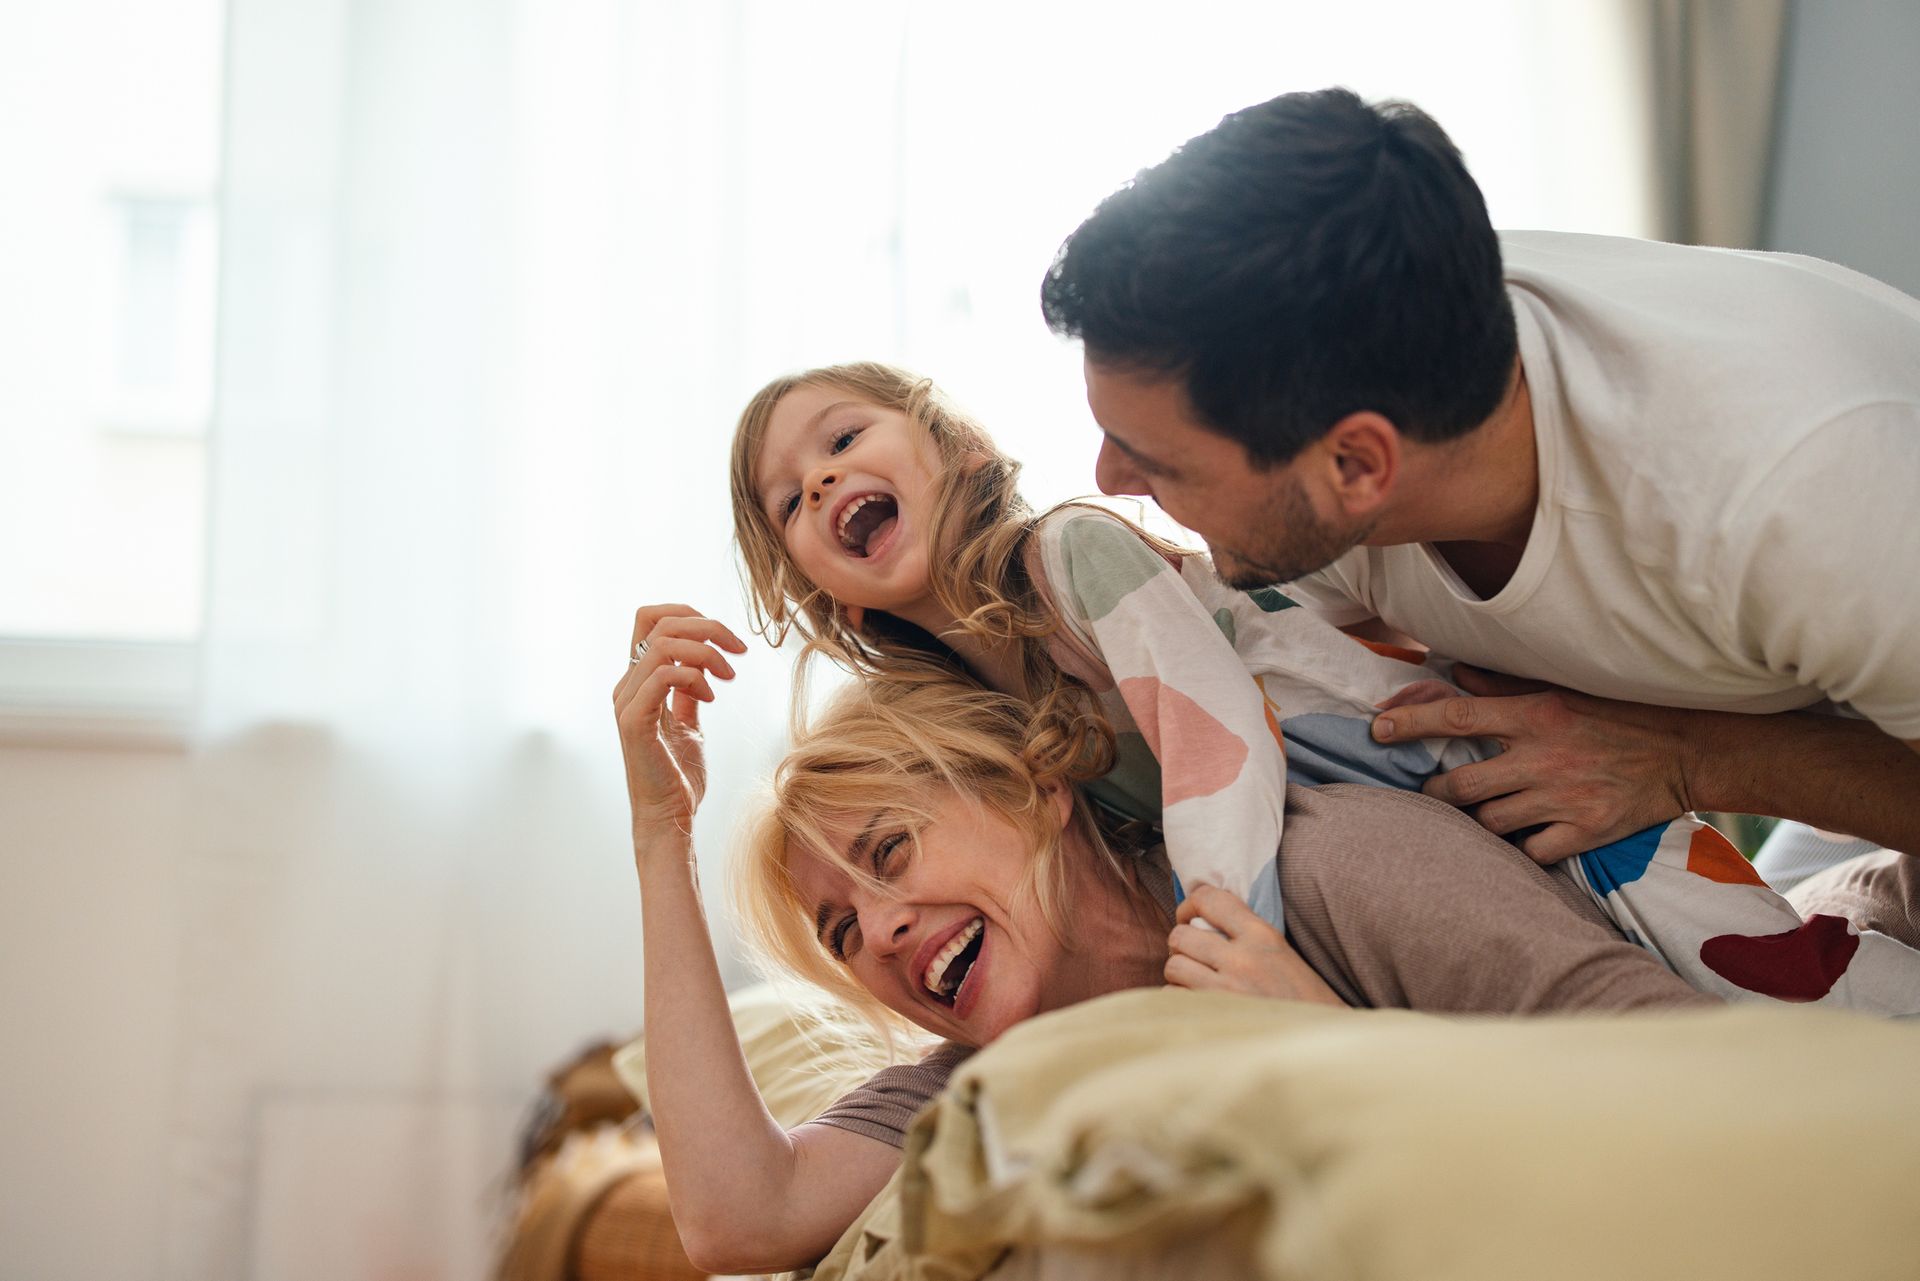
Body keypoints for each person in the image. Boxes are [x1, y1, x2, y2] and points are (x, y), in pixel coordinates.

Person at [730, 361, 1920, 1008]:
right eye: (790, 500)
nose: (824, 482)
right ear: (830, 596)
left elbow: (1216, 745)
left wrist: (1221, 942)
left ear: (960, 450)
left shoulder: (1070, 557)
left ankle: (1872, 1029)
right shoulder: (981, 703)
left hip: (1446, 742)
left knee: (1738, 960)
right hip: (1378, 799)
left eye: (843, 440)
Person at [611, 608, 1715, 1274]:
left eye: (890, 853)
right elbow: (733, 1218)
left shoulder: (1330, 866)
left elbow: (1690, 1068)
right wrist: (662, 838)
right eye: (842, 931)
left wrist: (1339, 1054)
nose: (884, 930)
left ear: (1035, 787)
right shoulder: (974, 1091)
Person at [1038, 86, 1920, 881]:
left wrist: (1690, 756)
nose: (1108, 480)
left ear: (1357, 467)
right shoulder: (1369, 352)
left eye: (1158, 460)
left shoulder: (1801, 494)